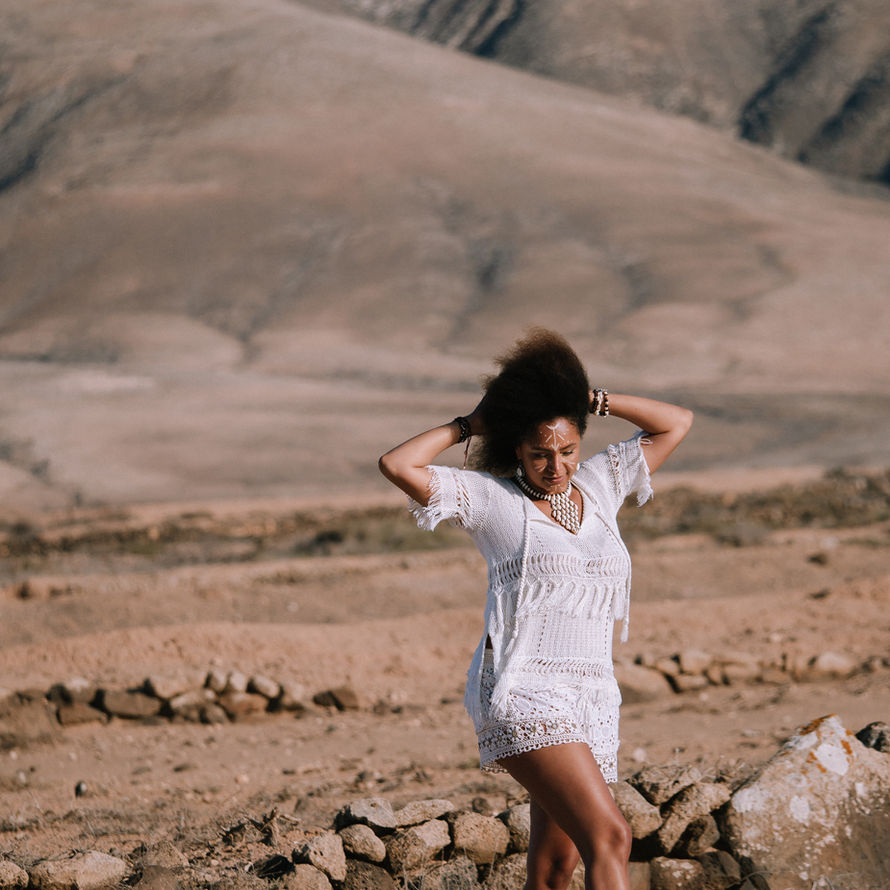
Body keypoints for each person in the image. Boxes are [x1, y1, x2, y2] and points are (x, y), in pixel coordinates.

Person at [378, 329, 693, 890]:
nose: (556, 466)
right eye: (539, 453)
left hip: (591, 695)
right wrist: (470, 426)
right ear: (516, 450)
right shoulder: (496, 502)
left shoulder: (600, 484)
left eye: (567, 450)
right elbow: (398, 464)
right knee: (611, 837)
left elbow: (677, 422)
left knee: (555, 867)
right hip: (524, 690)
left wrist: (589, 400)